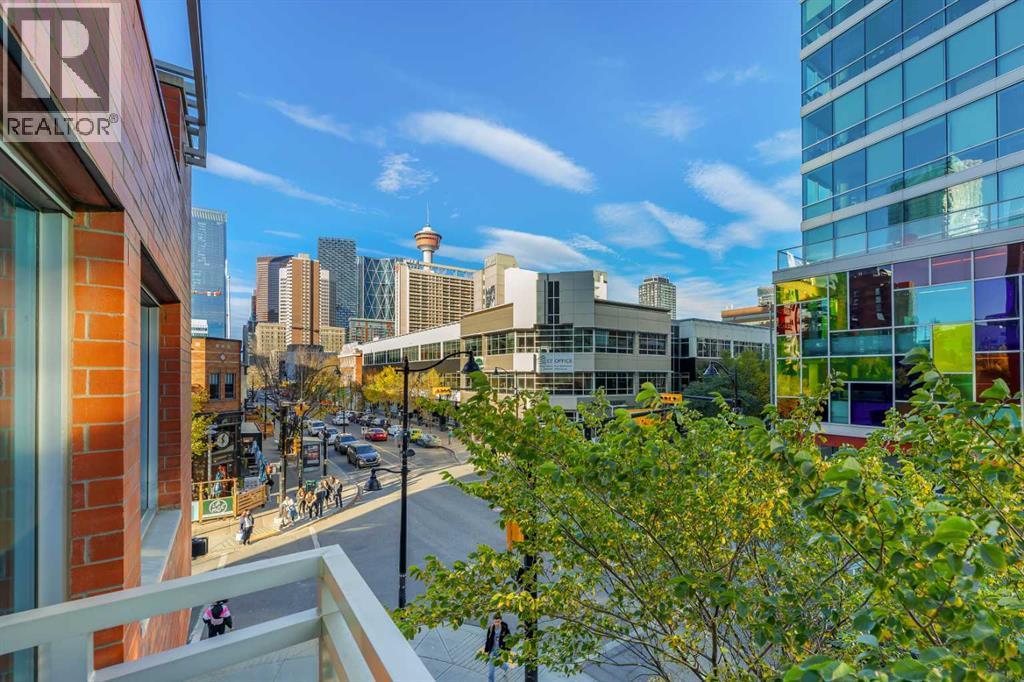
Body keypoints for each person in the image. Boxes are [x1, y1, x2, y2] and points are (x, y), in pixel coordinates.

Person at [483, 613, 511, 682]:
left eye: (498, 621)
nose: (497, 623)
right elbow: (488, 640)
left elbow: (509, 639)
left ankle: (506, 668)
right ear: (493, 621)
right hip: (492, 651)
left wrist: (508, 650)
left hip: (501, 651)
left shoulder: (505, 628)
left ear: (501, 620)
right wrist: (486, 651)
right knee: (491, 671)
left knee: (501, 664)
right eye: (495, 622)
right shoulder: (491, 628)